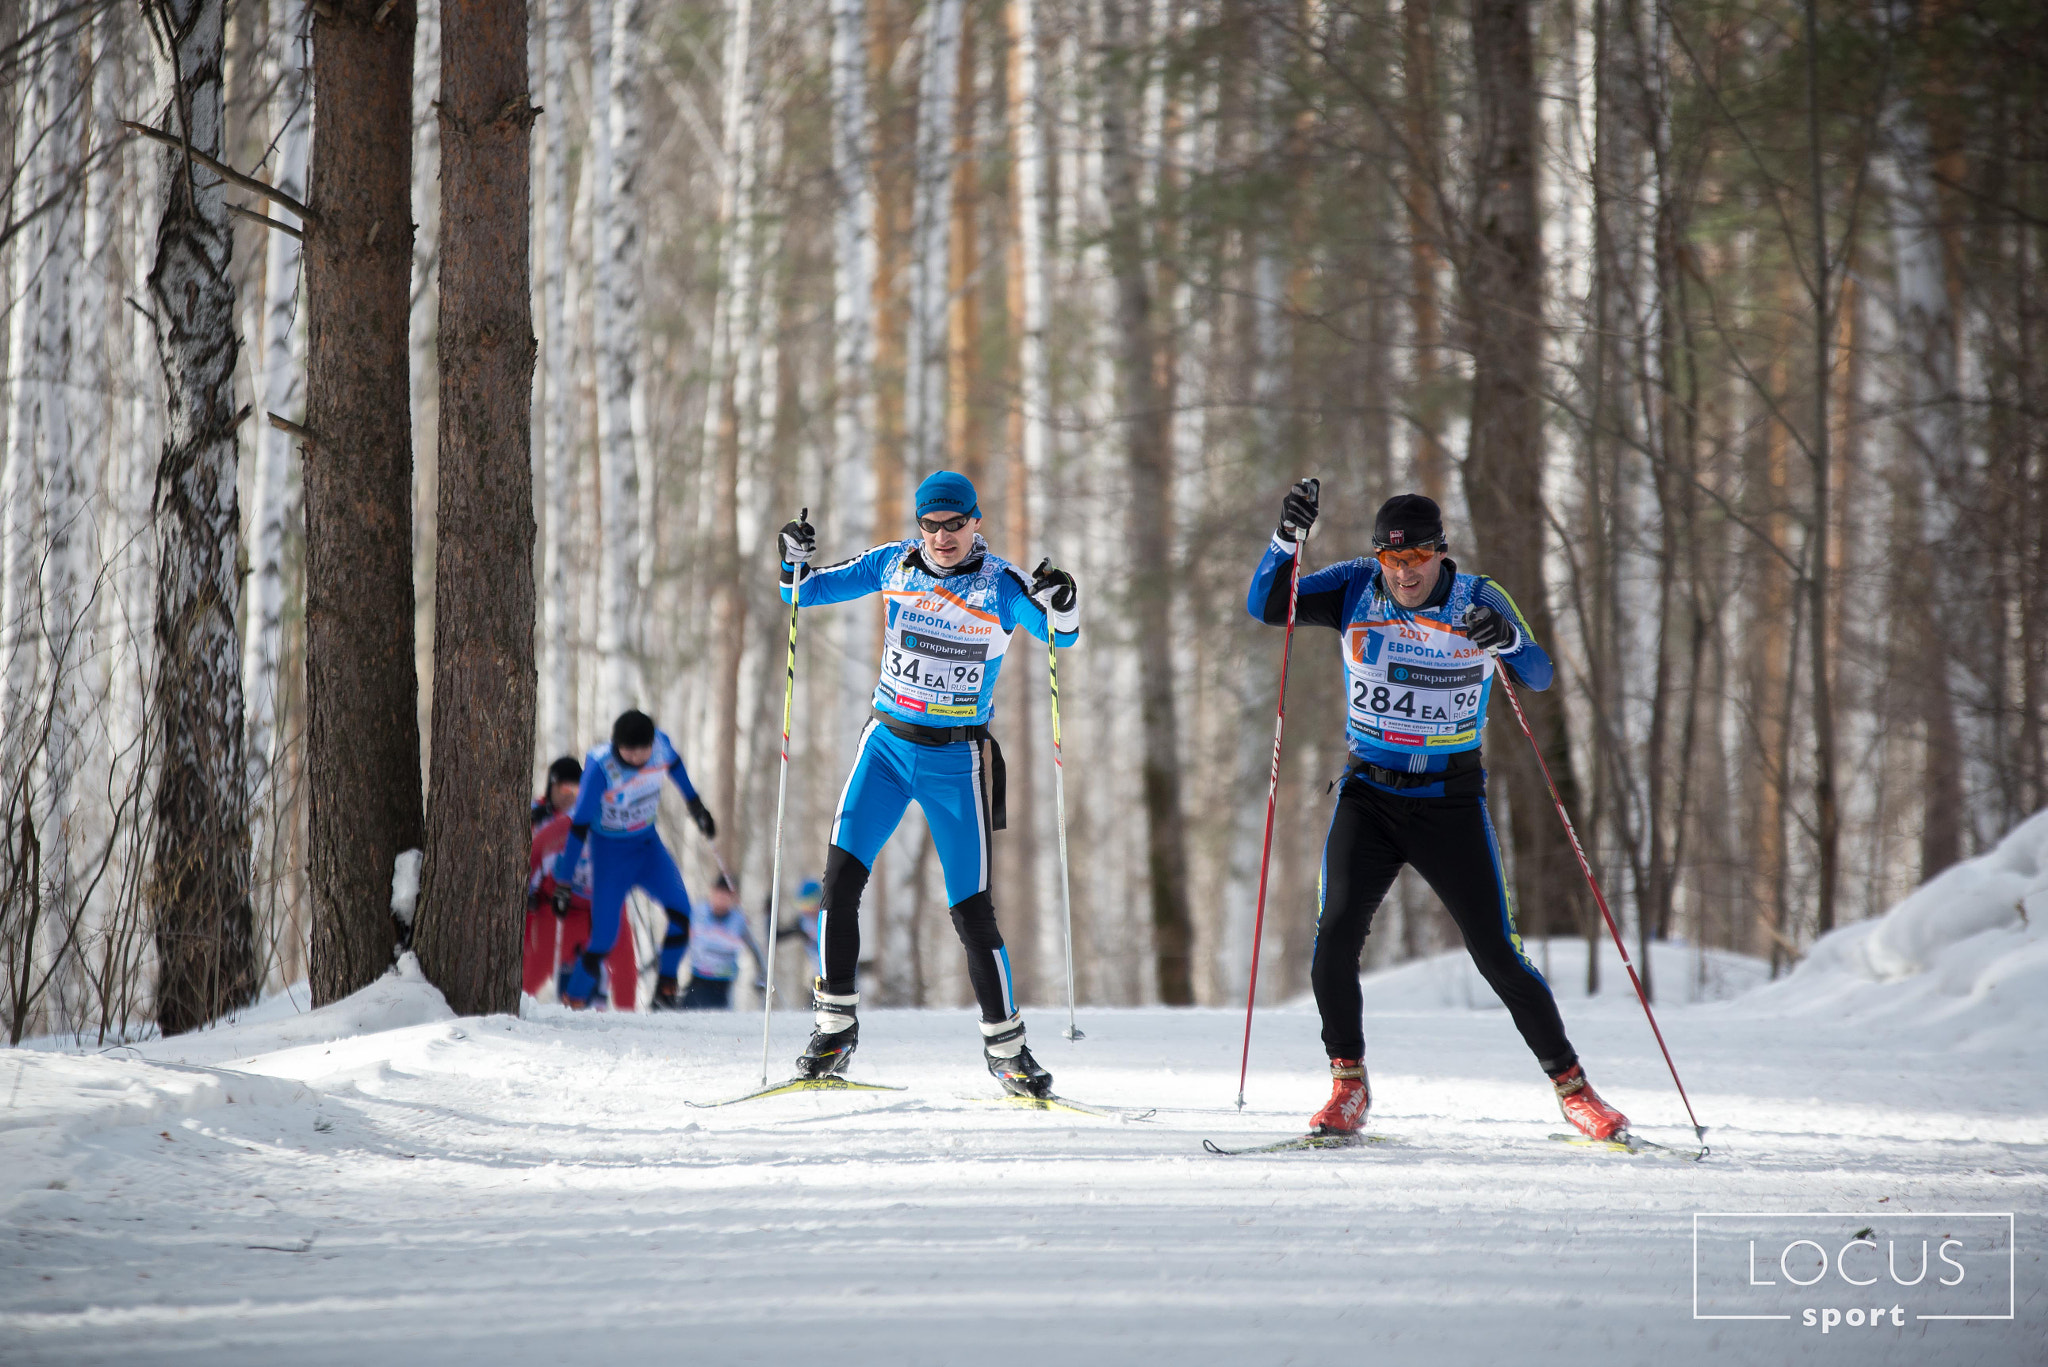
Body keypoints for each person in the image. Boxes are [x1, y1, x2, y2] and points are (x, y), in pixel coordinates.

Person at [1245, 485, 1630, 1141]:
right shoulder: (1353, 587)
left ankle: (1575, 1090)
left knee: (1498, 955)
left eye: (1419, 556)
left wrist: (1506, 639)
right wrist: (1286, 536)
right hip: (1369, 793)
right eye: (1394, 560)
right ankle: (1348, 1087)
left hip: (1449, 800)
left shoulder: (1477, 598)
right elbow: (1266, 606)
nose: (1405, 572)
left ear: (1439, 552)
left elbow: (1537, 673)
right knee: (1333, 936)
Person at [777, 470, 1080, 1095]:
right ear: (920, 526)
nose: (942, 537)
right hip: (886, 747)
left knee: (971, 911)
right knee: (839, 884)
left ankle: (1008, 1050)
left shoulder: (1000, 584)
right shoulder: (893, 565)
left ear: (976, 521)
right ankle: (834, 1028)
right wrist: (793, 559)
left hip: (956, 762)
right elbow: (802, 595)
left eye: (954, 524)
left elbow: (1059, 635)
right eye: (931, 525)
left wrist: (1064, 601)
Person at [552, 711, 719, 1010]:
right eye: (629, 751)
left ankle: (665, 989)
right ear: (617, 745)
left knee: (682, 913)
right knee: (604, 940)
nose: (637, 757)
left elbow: (676, 767)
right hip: (610, 856)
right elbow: (579, 827)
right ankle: (573, 1000)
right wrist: (564, 882)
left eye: (642, 750)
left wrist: (696, 806)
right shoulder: (601, 768)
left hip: (647, 848)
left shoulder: (660, 747)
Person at [525, 756, 640, 1010]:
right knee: (539, 960)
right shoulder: (536, 816)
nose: (570, 796)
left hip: (587, 900)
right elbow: (527, 860)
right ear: (551, 788)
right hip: (547, 901)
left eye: (576, 790)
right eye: (564, 789)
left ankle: (595, 1004)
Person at [674, 875, 766, 1010]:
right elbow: (680, 938)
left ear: (732, 898)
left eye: (725, 897)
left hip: (723, 984)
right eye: (718, 895)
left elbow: (755, 948)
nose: (720, 900)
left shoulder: (739, 920)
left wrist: (762, 973)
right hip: (698, 978)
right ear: (712, 893)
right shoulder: (698, 913)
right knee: (686, 1012)